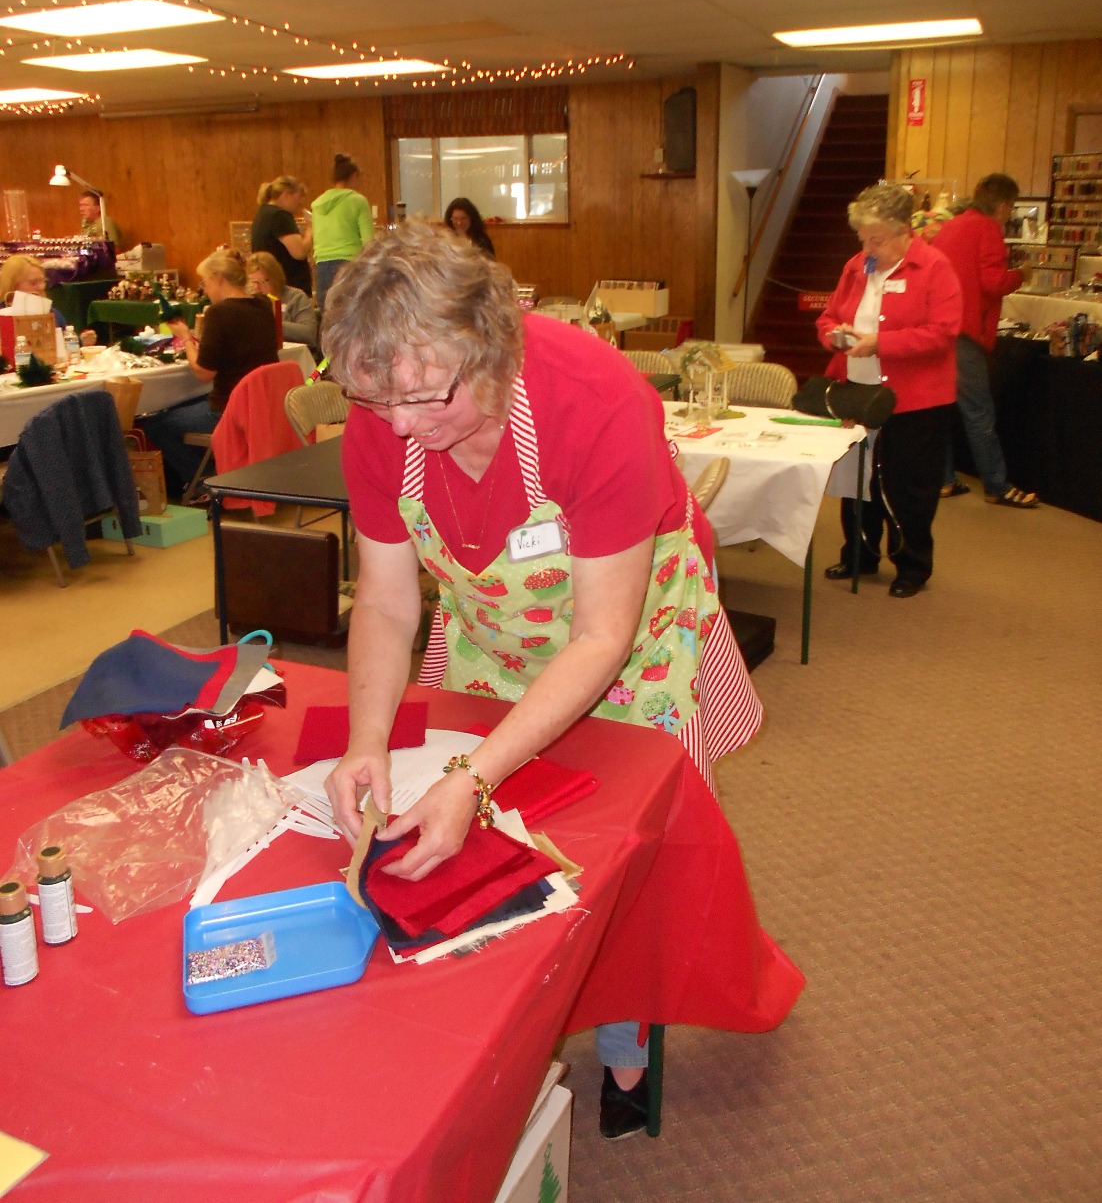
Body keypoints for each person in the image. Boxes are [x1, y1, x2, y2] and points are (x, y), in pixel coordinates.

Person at [322, 223, 770, 1139]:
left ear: (491, 350)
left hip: (629, 634)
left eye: (422, 397)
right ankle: (516, 1015)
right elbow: (388, 600)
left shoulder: (595, 398)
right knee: (506, 839)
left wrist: (475, 772)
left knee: (627, 845)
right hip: (497, 623)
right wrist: (366, 739)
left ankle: (626, 1028)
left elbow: (602, 632)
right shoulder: (383, 417)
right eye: (375, 400)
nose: (398, 424)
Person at [816, 184, 962, 599]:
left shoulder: (934, 268)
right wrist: (835, 336)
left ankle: (912, 564)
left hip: (915, 397)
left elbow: (943, 332)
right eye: (863, 238)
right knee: (856, 478)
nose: (867, 247)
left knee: (906, 484)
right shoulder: (855, 266)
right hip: (858, 388)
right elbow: (828, 317)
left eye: (876, 239)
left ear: (905, 233)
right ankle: (859, 553)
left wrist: (880, 342)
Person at [930, 173, 1038, 508]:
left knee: (942, 407)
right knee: (978, 412)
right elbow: (992, 283)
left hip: (940, 326)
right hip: (965, 330)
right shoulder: (988, 228)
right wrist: (1022, 274)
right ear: (1004, 205)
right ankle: (997, 485)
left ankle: (945, 479)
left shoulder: (952, 225)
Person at [144, 249, 278, 497]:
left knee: (153, 423)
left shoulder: (220, 312)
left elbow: (203, 373)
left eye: (205, 282)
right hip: (263, 405)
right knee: (186, 404)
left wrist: (185, 339)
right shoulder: (262, 305)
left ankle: (206, 480)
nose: (204, 290)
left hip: (230, 408)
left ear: (218, 278)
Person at [311, 153, 373, 313]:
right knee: (351, 316)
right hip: (349, 264)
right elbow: (369, 242)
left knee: (328, 317)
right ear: (353, 176)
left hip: (322, 265)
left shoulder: (317, 204)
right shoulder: (358, 200)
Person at [0, 253, 95, 341]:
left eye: (43, 281)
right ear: (13, 285)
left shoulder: (52, 314)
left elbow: (64, 344)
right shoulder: (2, 314)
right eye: (33, 283)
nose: (41, 287)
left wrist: (80, 341)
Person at [247, 251, 320, 358]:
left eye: (261, 282)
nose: (256, 288)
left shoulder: (296, 297)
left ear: (274, 277)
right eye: (253, 282)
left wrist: (272, 323)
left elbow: (309, 334)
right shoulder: (251, 300)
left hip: (294, 357)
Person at [250, 176, 313, 298]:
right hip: (288, 288)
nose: (299, 206)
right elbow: (299, 252)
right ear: (286, 195)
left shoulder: (262, 213)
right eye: (298, 200)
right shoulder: (279, 215)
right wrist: (311, 229)